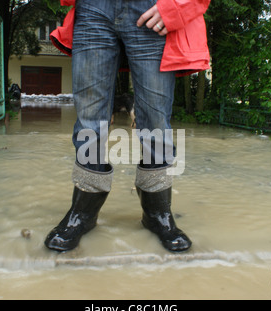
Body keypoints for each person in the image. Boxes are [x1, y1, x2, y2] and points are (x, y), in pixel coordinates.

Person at [44, 0, 211, 252]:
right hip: (92, 9)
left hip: (153, 8)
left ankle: (157, 214)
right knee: (90, 119)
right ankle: (83, 213)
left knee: (155, 120)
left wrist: (179, 5)